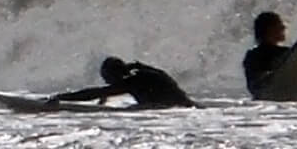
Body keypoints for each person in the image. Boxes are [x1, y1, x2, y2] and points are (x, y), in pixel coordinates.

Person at [50, 56, 194, 109]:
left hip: (178, 110)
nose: (108, 83)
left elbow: (93, 93)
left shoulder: (134, 81)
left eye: (107, 78)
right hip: (189, 109)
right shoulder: (146, 73)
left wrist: (61, 97)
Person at [242, 11, 292, 99]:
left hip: (261, 104)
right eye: (279, 25)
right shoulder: (284, 53)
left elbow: (253, 87)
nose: (284, 27)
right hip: (277, 101)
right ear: (270, 29)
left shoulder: (251, 55)